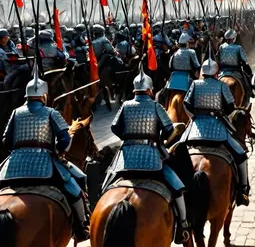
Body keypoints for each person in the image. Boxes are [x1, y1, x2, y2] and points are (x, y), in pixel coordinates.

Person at [0, 62, 90, 241]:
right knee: (79, 183)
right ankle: (82, 227)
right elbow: (65, 139)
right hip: (44, 161)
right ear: (44, 96)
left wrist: (17, 151)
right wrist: (60, 151)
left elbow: (6, 140)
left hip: (14, 163)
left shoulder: (16, 112)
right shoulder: (51, 113)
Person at [104, 67, 191, 243]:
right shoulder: (156, 106)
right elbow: (168, 130)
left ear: (134, 90)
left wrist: (127, 139)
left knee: (106, 184)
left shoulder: (125, 105)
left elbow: (114, 127)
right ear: (150, 90)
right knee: (178, 187)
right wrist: (162, 139)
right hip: (152, 156)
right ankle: (183, 224)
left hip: (125, 158)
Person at [180, 50, 251, 205]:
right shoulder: (220, 85)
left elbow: (186, 104)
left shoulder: (194, 84)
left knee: (173, 151)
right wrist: (223, 114)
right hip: (217, 129)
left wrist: (194, 118)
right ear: (217, 72)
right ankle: (243, 190)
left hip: (194, 129)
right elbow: (231, 107)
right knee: (240, 155)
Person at [217, 29, 253, 99]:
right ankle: (250, 92)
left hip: (223, 71)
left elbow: (218, 58)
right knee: (247, 80)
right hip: (236, 70)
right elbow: (244, 59)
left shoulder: (221, 47)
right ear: (234, 38)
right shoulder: (238, 48)